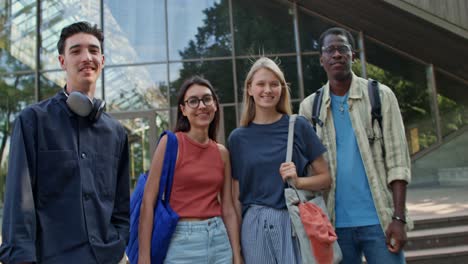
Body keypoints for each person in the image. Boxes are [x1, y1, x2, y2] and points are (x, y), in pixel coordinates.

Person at [0, 21, 130, 263]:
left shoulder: (116, 133)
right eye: (76, 50)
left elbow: (121, 207)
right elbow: (19, 206)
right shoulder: (32, 122)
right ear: (62, 61)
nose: (86, 57)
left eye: (93, 50)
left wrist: (117, 242)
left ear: (102, 60)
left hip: (107, 257)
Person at [299, 27, 412, 264]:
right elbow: (309, 170)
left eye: (343, 49)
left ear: (353, 56)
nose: (337, 54)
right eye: (330, 50)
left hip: (379, 222)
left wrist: (399, 219)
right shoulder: (310, 108)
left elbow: (398, 161)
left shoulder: (380, 96)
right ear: (322, 59)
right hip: (333, 225)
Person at [228, 57, 331, 264]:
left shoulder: (298, 126)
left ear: (282, 89)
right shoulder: (237, 139)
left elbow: (326, 178)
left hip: (292, 220)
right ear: (249, 89)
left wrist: (299, 181)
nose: (268, 90)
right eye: (261, 84)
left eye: (274, 84)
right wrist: (236, 249)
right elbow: (236, 197)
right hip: (253, 227)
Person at [138, 76, 242, 264]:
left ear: (215, 105)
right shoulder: (171, 143)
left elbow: (227, 207)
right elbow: (147, 202)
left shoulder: (222, 153)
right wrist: (144, 258)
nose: (202, 106)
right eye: (193, 101)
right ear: (183, 110)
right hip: (182, 243)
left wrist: (237, 254)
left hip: (220, 239)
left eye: (207, 99)